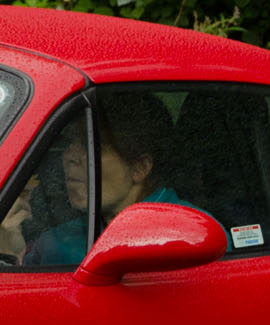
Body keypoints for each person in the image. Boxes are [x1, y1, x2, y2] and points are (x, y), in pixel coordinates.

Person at [0, 93, 184, 266]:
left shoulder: (185, 234)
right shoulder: (57, 239)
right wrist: (12, 253)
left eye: (91, 146)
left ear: (139, 168)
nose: (70, 156)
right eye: (70, 142)